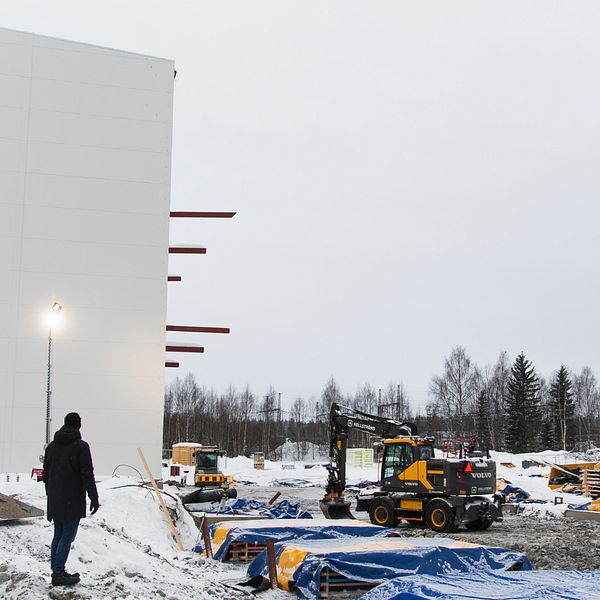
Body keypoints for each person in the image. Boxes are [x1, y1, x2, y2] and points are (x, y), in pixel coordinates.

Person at [43, 412, 100, 587]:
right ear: (78, 425)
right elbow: (86, 473)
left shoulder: (51, 446)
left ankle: (56, 570)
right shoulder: (81, 446)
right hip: (72, 498)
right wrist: (94, 496)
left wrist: (50, 494)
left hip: (55, 498)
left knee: (58, 534)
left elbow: (46, 474)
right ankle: (58, 573)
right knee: (67, 536)